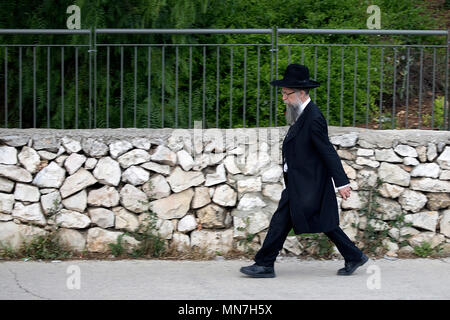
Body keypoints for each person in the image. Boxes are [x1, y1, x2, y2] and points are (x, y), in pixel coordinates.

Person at [240, 64, 368, 278]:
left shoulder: (313, 117)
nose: (283, 98)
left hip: (309, 183)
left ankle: (264, 264)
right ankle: (354, 255)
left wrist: (342, 182)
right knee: (322, 223)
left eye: (286, 94)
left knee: (282, 220)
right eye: (282, 93)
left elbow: (327, 151)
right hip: (302, 182)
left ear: (300, 93)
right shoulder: (300, 113)